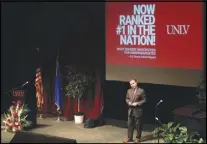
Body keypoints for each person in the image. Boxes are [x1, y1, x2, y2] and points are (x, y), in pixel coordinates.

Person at [123, 79, 146, 143]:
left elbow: (144, 100)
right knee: (129, 124)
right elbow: (127, 98)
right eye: (131, 84)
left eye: (133, 83)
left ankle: (138, 138)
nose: (132, 85)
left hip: (138, 110)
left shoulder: (141, 91)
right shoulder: (129, 90)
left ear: (136, 83)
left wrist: (137, 103)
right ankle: (129, 138)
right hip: (130, 110)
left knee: (138, 125)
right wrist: (128, 102)